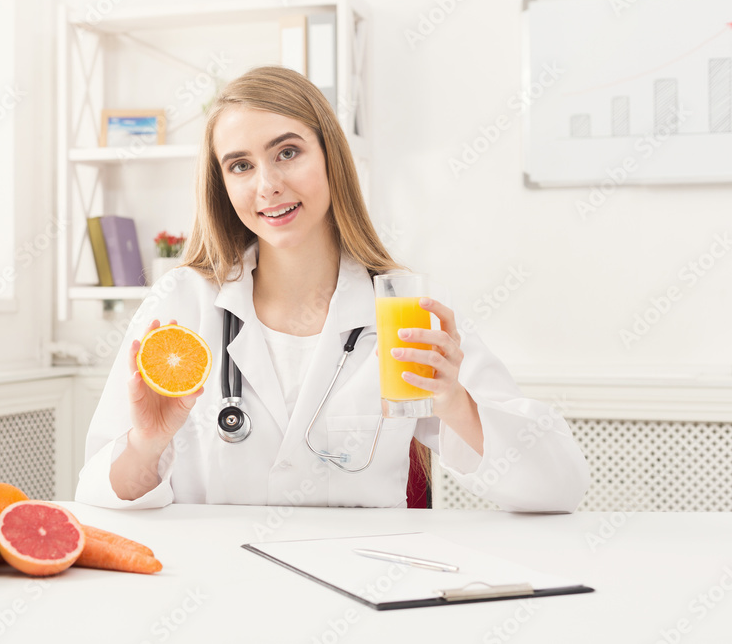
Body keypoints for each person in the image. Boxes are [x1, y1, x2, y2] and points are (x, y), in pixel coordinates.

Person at [76, 66, 590, 511]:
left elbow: (558, 487)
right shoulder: (182, 303)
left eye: (288, 152)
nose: (267, 185)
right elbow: (98, 496)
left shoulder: (403, 308)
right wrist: (146, 444)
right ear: (222, 184)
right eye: (240, 165)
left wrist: (454, 401)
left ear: (331, 157)